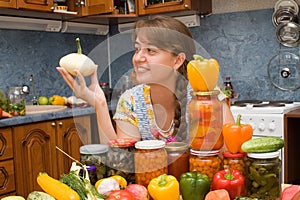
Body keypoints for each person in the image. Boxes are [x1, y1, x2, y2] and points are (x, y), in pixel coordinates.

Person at [57, 15, 234, 145]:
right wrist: (100, 105)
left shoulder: (207, 97)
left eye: (150, 50)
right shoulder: (131, 101)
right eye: (137, 49)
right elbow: (122, 160)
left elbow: (228, 156)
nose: (138, 58)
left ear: (177, 60)